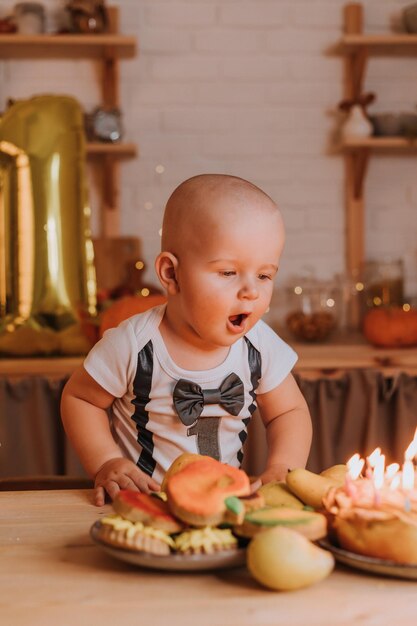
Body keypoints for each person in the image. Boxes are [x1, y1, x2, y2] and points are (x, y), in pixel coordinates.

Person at [61, 174, 312, 506]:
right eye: (228, 272)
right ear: (171, 274)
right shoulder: (134, 345)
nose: (251, 291)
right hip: (144, 505)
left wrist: (283, 466)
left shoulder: (260, 345)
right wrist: (106, 460)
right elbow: (81, 399)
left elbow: (289, 411)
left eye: (264, 275)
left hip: (223, 507)